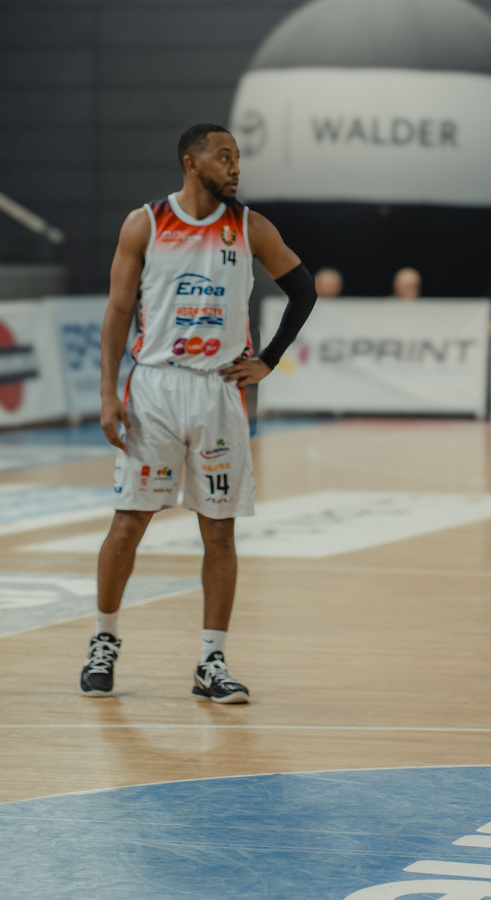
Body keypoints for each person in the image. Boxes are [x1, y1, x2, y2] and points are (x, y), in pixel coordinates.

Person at [81, 122, 317, 701]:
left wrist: (268, 360)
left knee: (219, 531)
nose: (235, 167)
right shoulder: (145, 223)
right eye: (224, 157)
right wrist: (108, 392)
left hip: (218, 390)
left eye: (238, 157)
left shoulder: (250, 227)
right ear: (192, 163)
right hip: (155, 388)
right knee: (129, 521)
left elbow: (304, 289)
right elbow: (117, 311)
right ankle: (104, 640)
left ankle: (212, 660)